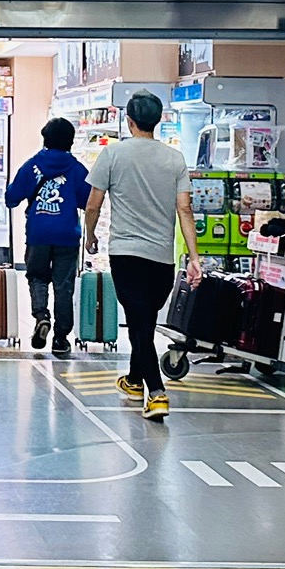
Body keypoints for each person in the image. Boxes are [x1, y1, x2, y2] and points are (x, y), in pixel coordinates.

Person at [83, 90, 201, 421]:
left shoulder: (113, 154)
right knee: (143, 321)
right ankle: (135, 381)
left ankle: (157, 393)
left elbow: (93, 204)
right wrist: (194, 257)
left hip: (126, 254)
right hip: (162, 258)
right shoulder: (174, 159)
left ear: (129, 120)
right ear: (158, 120)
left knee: (139, 325)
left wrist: (90, 235)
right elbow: (185, 209)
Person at [4, 117, 92, 354]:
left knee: (37, 277)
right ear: (70, 141)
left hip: (38, 233)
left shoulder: (32, 165)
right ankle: (61, 338)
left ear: (45, 139)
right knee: (64, 286)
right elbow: (88, 201)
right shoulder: (77, 169)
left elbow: (11, 198)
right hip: (67, 235)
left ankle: (41, 316)